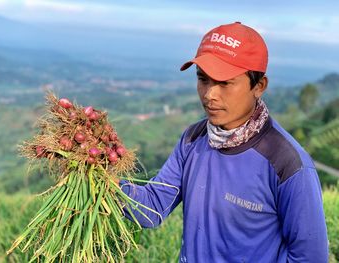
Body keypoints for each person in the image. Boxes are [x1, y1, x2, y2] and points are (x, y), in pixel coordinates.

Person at [119, 22, 329, 262]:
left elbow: (310, 257)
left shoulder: (287, 163)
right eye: (203, 79)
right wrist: (104, 182)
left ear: (259, 86)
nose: (210, 94)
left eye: (225, 82)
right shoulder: (192, 140)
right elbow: (153, 207)